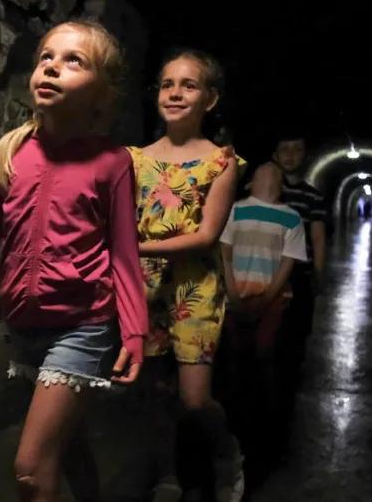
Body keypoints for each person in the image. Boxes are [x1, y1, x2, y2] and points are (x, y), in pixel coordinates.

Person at [0, 20, 149, 502]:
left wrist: (135, 331)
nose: (52, 67)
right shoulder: (11, 153)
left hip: (83, 325)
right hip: (25, 324)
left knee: (31, 468)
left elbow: (123, 252)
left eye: (74, 60)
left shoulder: (112, 163)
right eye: (46, 57)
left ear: (102, 93)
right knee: (67, 445)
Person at [129, 49, 244, 502]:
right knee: (157, 393)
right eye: (167, 84)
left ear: (209, 100)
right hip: (144, 287)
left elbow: (205, 236)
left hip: (195, 288)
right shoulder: (134, 160)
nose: (175, 93)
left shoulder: (221, 162)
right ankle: (167, 474)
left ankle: (226, 451)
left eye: (189, 85)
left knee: (194, 400)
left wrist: (133, 247)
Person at [218, 162, 307, 474]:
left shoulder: (291, 217)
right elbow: (225, 252)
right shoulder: (236, 210)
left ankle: (263, 416)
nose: (268, 176)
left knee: (263, 352)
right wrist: (232, 291)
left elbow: (287, 263)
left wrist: (267, 298)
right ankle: (242, 413)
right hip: (240, 296)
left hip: (271, 300)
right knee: (238, 354)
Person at [271, 134, 327, 338]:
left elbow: (318, 238)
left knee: (298, 330)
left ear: (306, 156)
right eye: (284, 149)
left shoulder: (313, 196)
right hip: (269, 270)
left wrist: (318, 272)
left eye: (297, 149)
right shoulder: (266, 190)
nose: (290, 155)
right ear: (275, 156)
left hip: (300, 273)